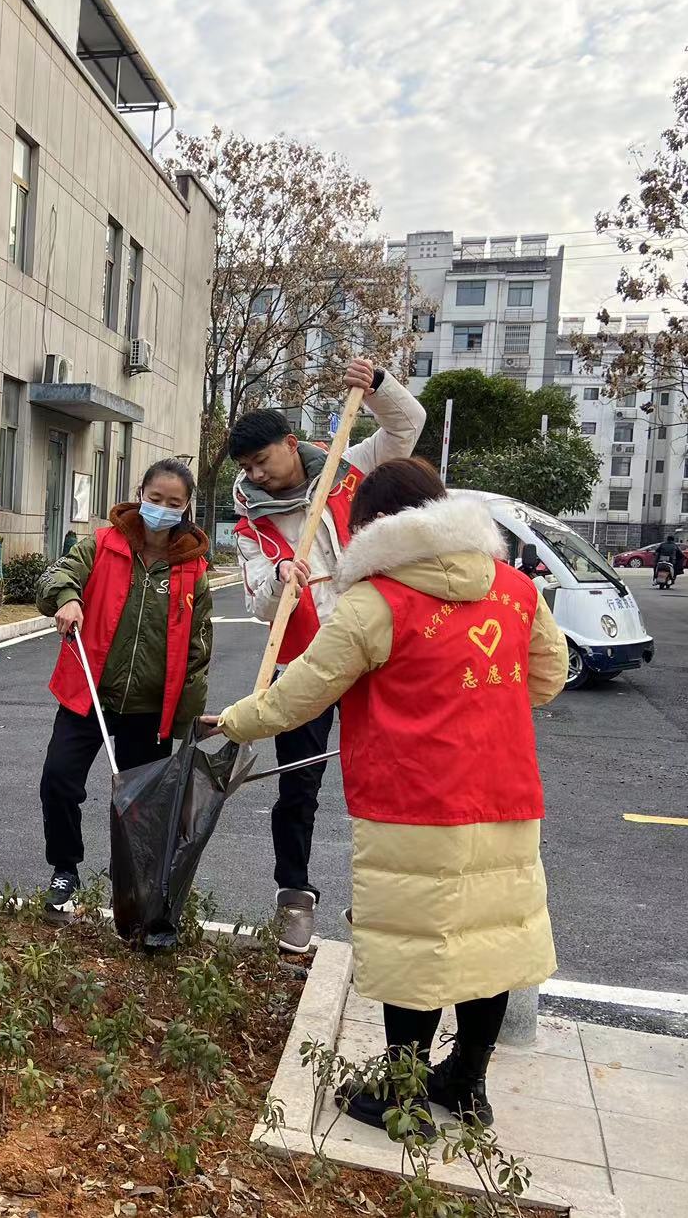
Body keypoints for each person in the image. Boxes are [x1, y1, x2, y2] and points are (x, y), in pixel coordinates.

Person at [203, 458, 567, 1131]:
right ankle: (465, 1084)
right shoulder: (516, 589)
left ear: (372, 526)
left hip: (414, 800)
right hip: (507, 795)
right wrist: (478, 709)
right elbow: (547, 677)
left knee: (415, 948)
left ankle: (401, 1097)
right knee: (488, 943)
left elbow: (301, 691)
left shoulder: (377, 602)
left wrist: (234, 721)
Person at [230, 356, 426, 952]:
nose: (257, 475)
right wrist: (276, 580)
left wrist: (378, 387)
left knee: (391, 777)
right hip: (304, 665)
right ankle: (295, 896)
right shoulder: (251, 526)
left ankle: (387, 903)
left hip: (375, 654)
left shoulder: (348, 465)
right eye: (246, 468)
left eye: (262, 460)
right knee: (299, 786)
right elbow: (260, 607)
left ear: (291, 445)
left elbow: (406, 427)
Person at [34, 458, 214, 911]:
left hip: (150, 710)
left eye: (174, 503)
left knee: (140, 804)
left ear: (187, 506)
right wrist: (69, 599)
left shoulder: (193, 571)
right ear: (140, 493)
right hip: (90, 695)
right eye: (155, 500)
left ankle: (128, 884)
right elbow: (54, 579)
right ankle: (64, 870)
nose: (162, 510)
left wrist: (186, 721)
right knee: (59, 780)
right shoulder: (101, 545)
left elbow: (198, 651)